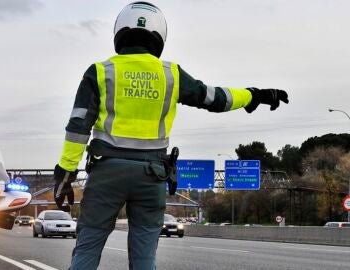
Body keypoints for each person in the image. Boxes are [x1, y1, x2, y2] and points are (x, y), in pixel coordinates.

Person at [53, 2, 289, 269]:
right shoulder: (170, 75)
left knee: (87, 248)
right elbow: (213, 97)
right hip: (151, 176)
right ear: (159, 36)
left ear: (119, 32)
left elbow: (78, 126)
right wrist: (254, 95)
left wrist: (66, 171)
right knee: (144, 258)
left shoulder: (99, 72)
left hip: (107, 174)